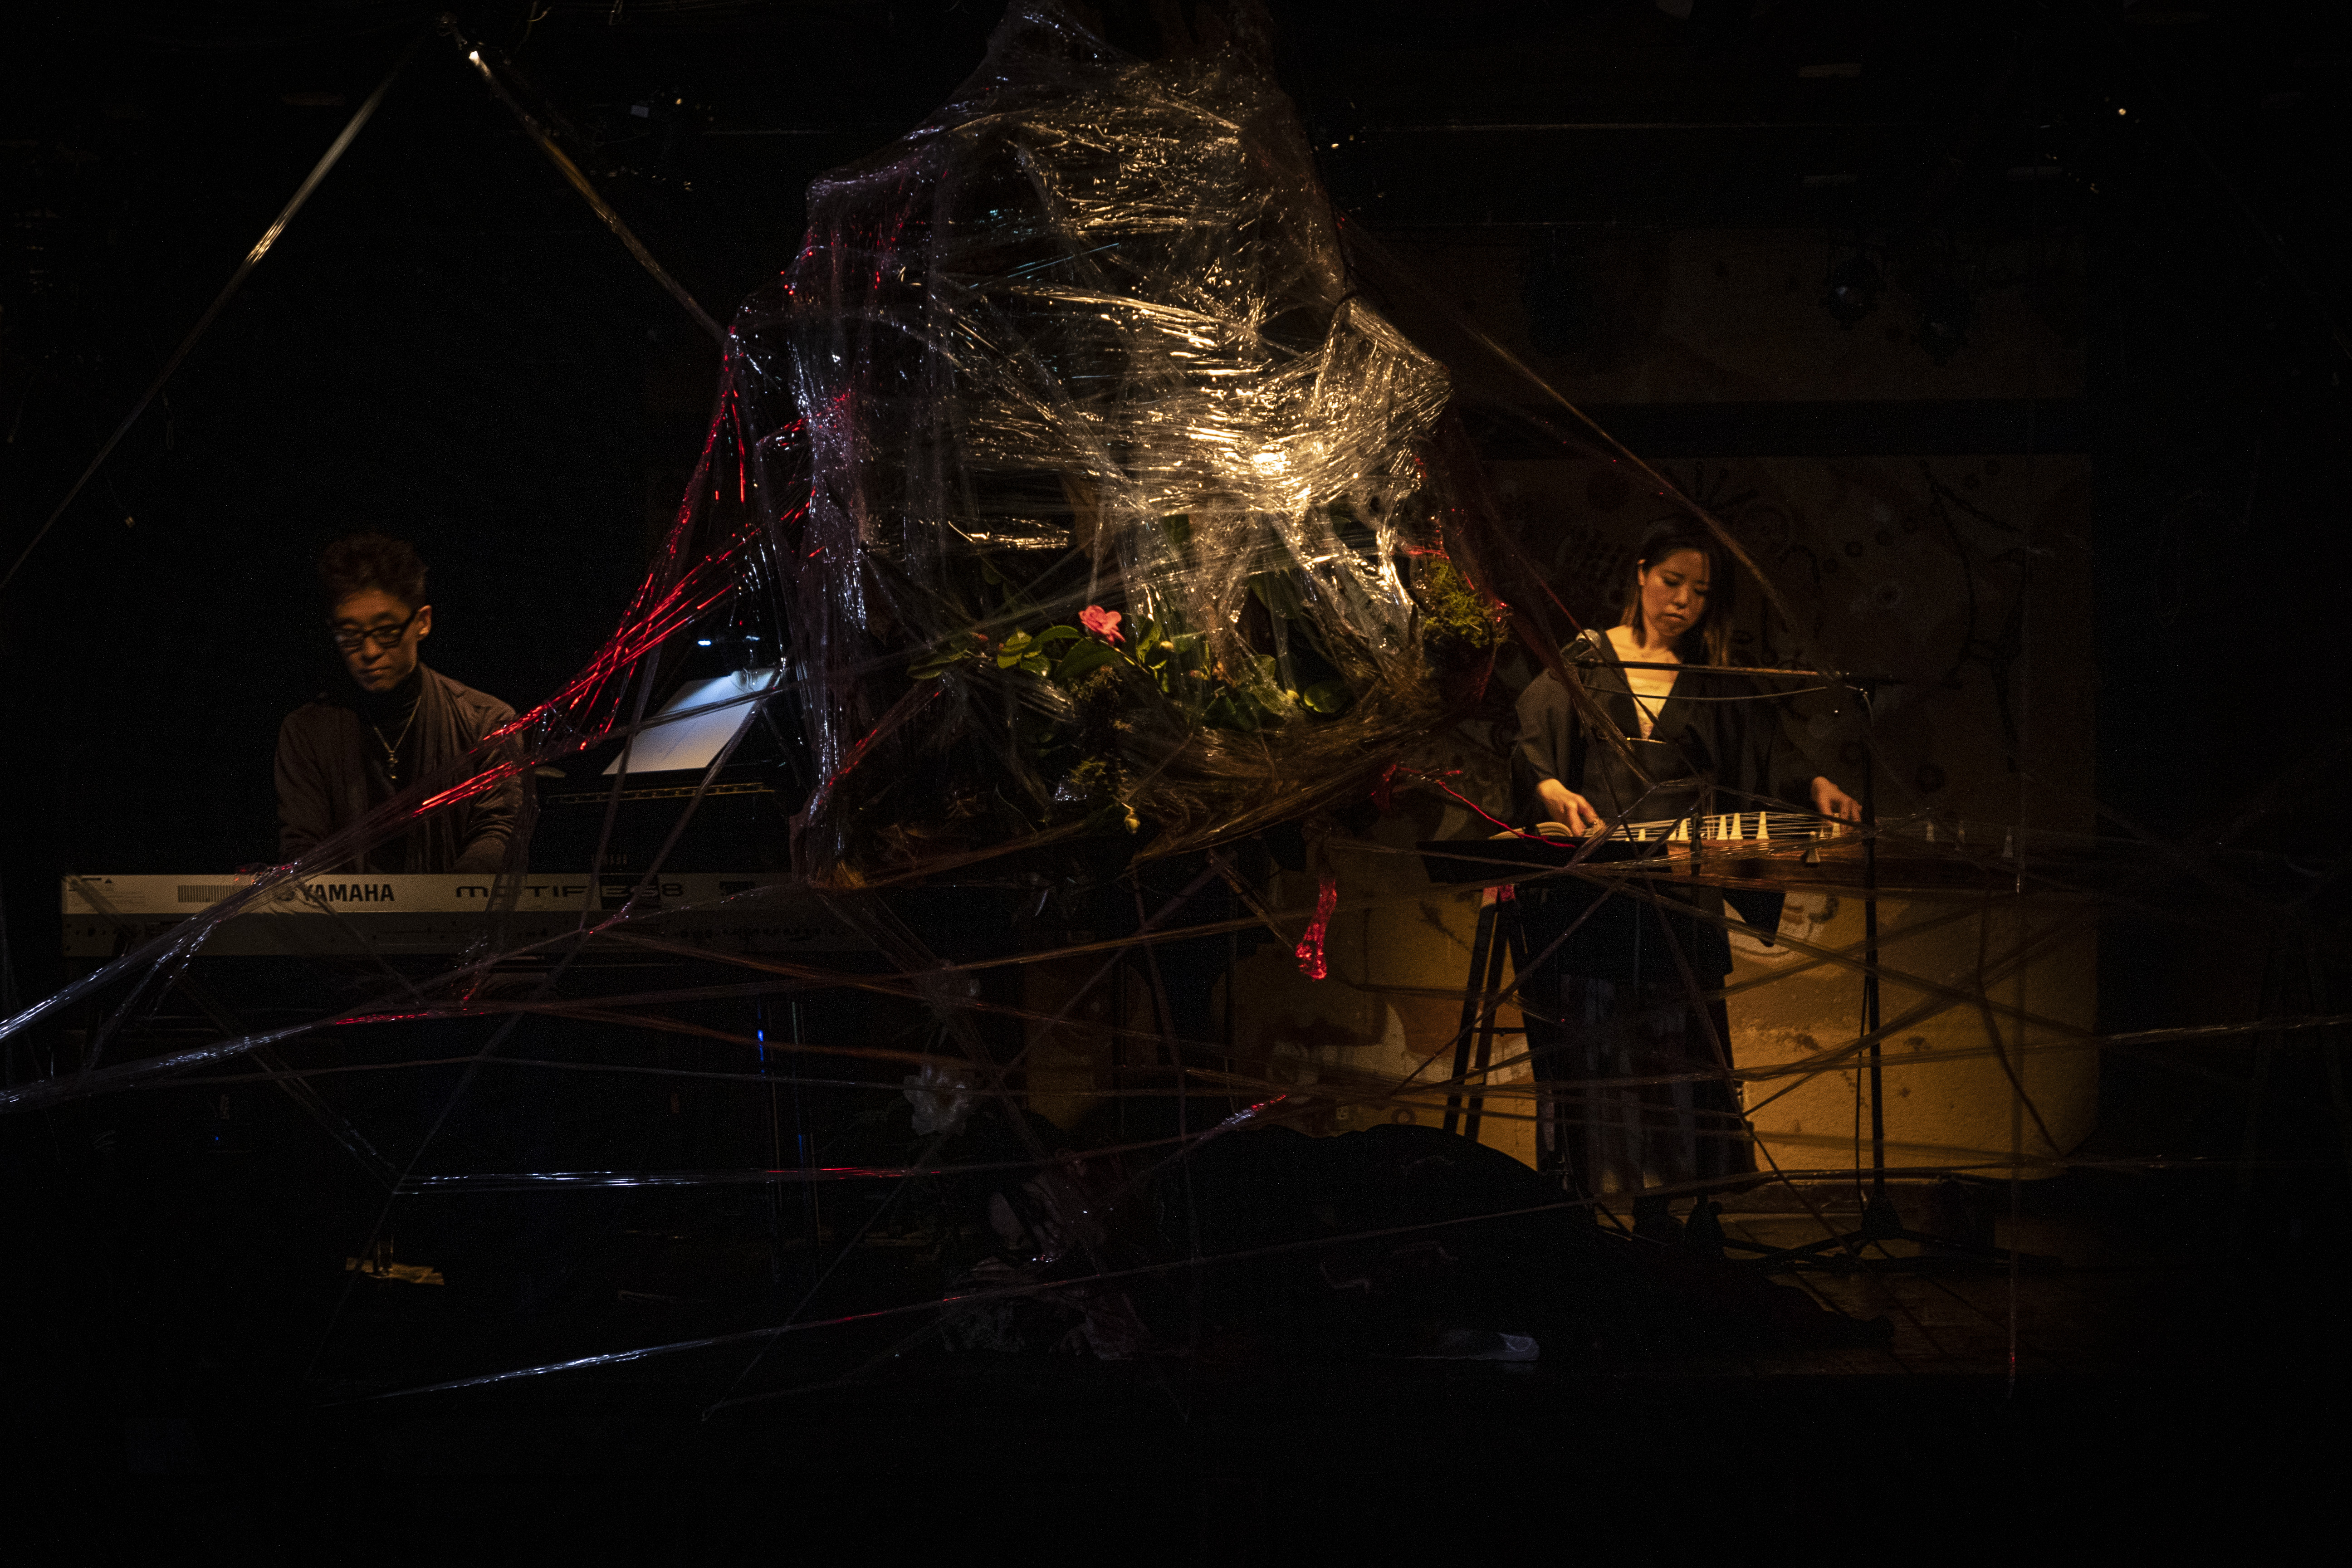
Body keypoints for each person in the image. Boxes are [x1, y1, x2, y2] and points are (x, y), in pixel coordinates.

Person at [1508, 521, 1860, 1240]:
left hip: (1680, 889)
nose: (1683, 602)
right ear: (1641, 573)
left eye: (1699, 592)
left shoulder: (1708, 682)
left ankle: (1666, 1207)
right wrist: (1551, 789)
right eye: (1672, 582)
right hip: (1598, 887)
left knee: (1674, 1049)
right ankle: (1582, 1201)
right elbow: (1532, 744)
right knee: (1592, 1041)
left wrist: (1815, 783)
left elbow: (1764, 753)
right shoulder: (1587, 659)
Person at [274, 533, 525, 874]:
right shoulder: (307, 732)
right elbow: (303, 849)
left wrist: (449, 899)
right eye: (349, 635)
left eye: (386, 632)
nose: (369, 652)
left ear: (422, 622)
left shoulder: (486, 721)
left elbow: (498, 831)